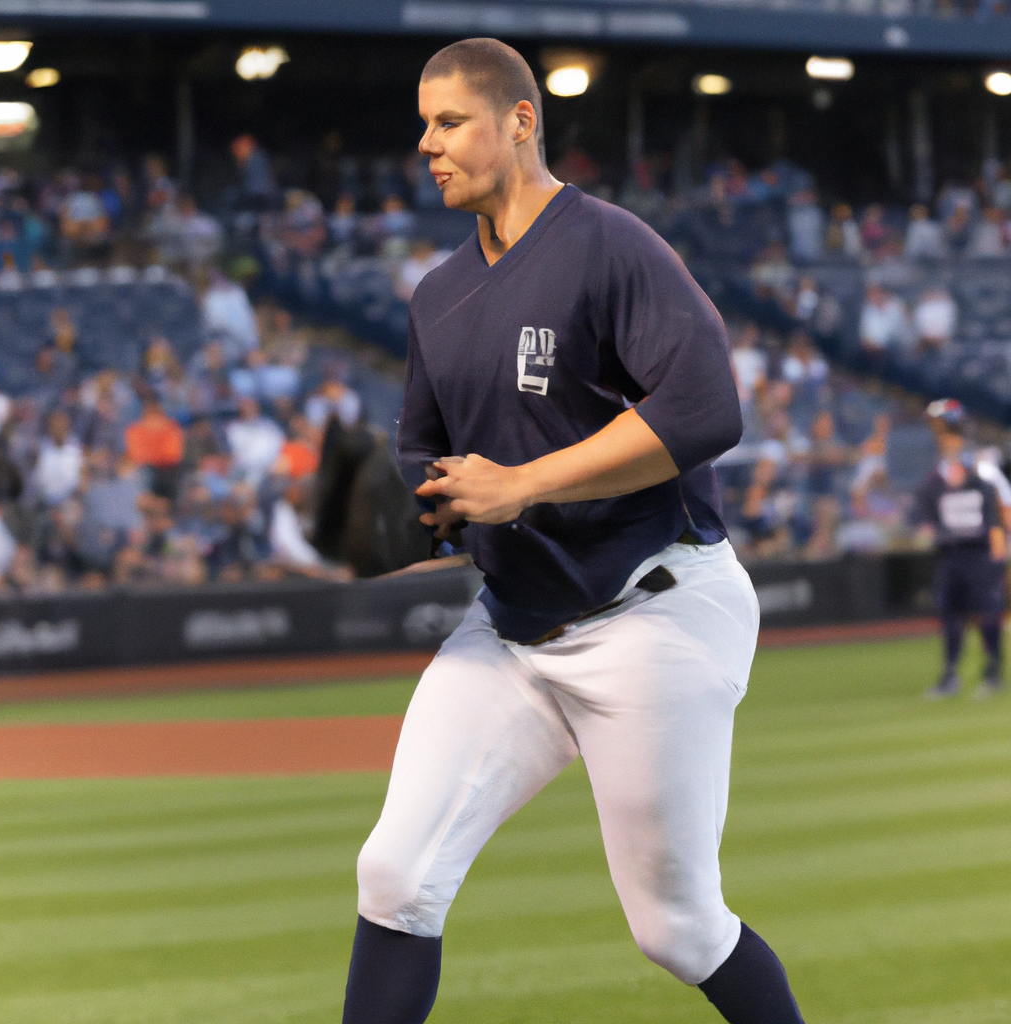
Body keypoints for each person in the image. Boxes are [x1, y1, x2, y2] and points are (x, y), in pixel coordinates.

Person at [340, 38, 804, 1024]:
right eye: (423, 123)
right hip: (512, 627)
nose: (427, 143)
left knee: (675, 926)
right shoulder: (436, 295)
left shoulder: (605, 243)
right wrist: (393, 520)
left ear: (518, 122)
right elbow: (433, 470)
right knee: (394, 874)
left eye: (449, 120)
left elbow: (706, 406)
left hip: (655, 610)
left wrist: (524, 485)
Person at [912, 399, 1006, 699]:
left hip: (982, 555)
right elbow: (926, 521)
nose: (940, 436)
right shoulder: (934, 479)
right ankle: (951, 673)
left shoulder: (983, 470)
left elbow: (1001, 512)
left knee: (988, 614)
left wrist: (999, 556)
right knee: (950, 615)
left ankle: (992, 670)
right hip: (952, 557)